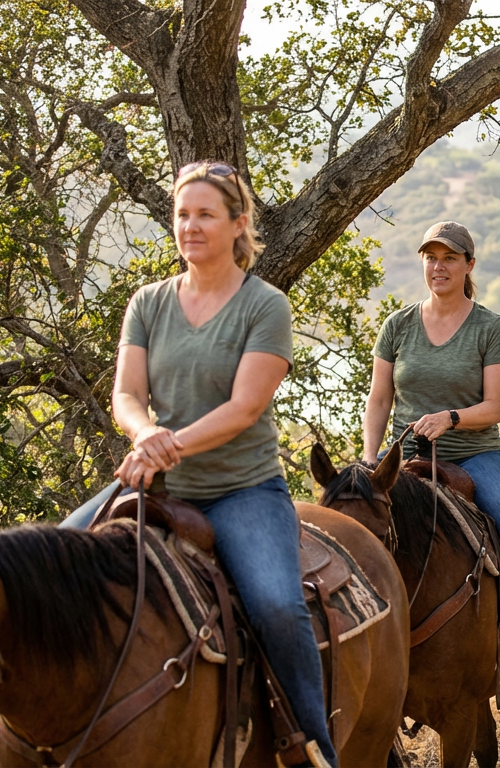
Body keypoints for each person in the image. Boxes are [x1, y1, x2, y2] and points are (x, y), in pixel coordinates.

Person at [104, 161, 335, 765]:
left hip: (241, 492)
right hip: (156, 486)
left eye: (206, 214)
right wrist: (146, 432)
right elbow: (125, 395)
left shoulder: (265, 306)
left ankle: (313, 746)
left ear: (238, 223)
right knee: (52, 568)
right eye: (183, 214)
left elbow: (243, 407)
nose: (191, 226)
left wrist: (167, 443)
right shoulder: (148, 303)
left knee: (279, 608)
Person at [363, 221, 500, 700]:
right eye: (431, 257)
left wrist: (450, 418)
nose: (438, 266)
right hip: (402, 459)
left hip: (474, 455)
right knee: (347, 526)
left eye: (449, 258)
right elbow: (378, 401)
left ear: (469, 265)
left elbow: (494, 408)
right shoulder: (397, 325)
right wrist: (371, 460)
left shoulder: (489, 327)